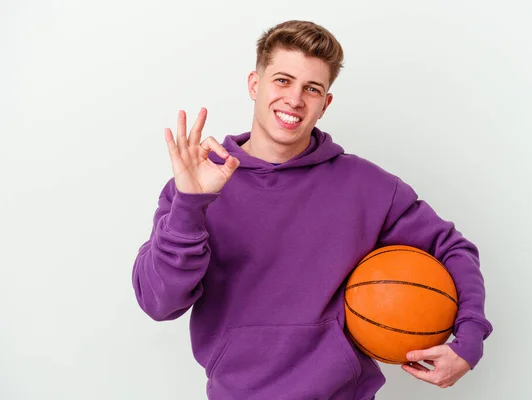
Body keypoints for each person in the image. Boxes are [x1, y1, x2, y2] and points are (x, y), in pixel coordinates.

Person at [132, 20, 493, 399]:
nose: (294, 100)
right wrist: (191, 205)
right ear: (255, 84)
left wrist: (469, 339)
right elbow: (159, 303)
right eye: (283, 81)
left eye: (312, 88)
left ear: (325, 103)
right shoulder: (197, 183)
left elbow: (452, 248)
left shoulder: (366, 186)